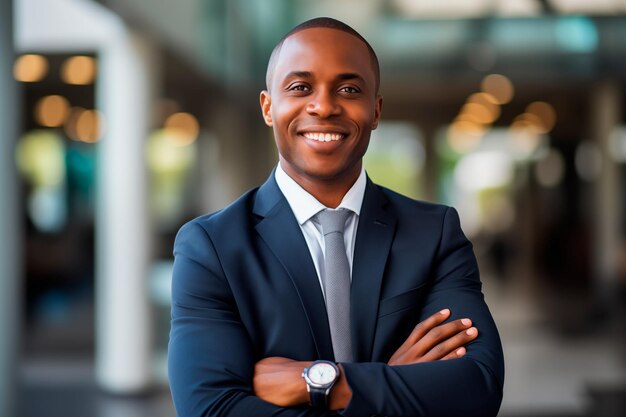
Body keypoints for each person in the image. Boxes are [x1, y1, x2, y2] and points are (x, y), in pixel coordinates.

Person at [168, 17, 504, 417]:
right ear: (268, 107)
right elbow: (212, 409)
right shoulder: (212, 247)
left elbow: (477, 386)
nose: (324, 106)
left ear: (375, 110)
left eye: (348, 89)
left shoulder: (434, 234)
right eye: (300, 87)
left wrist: (322, 381)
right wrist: (388, 382)